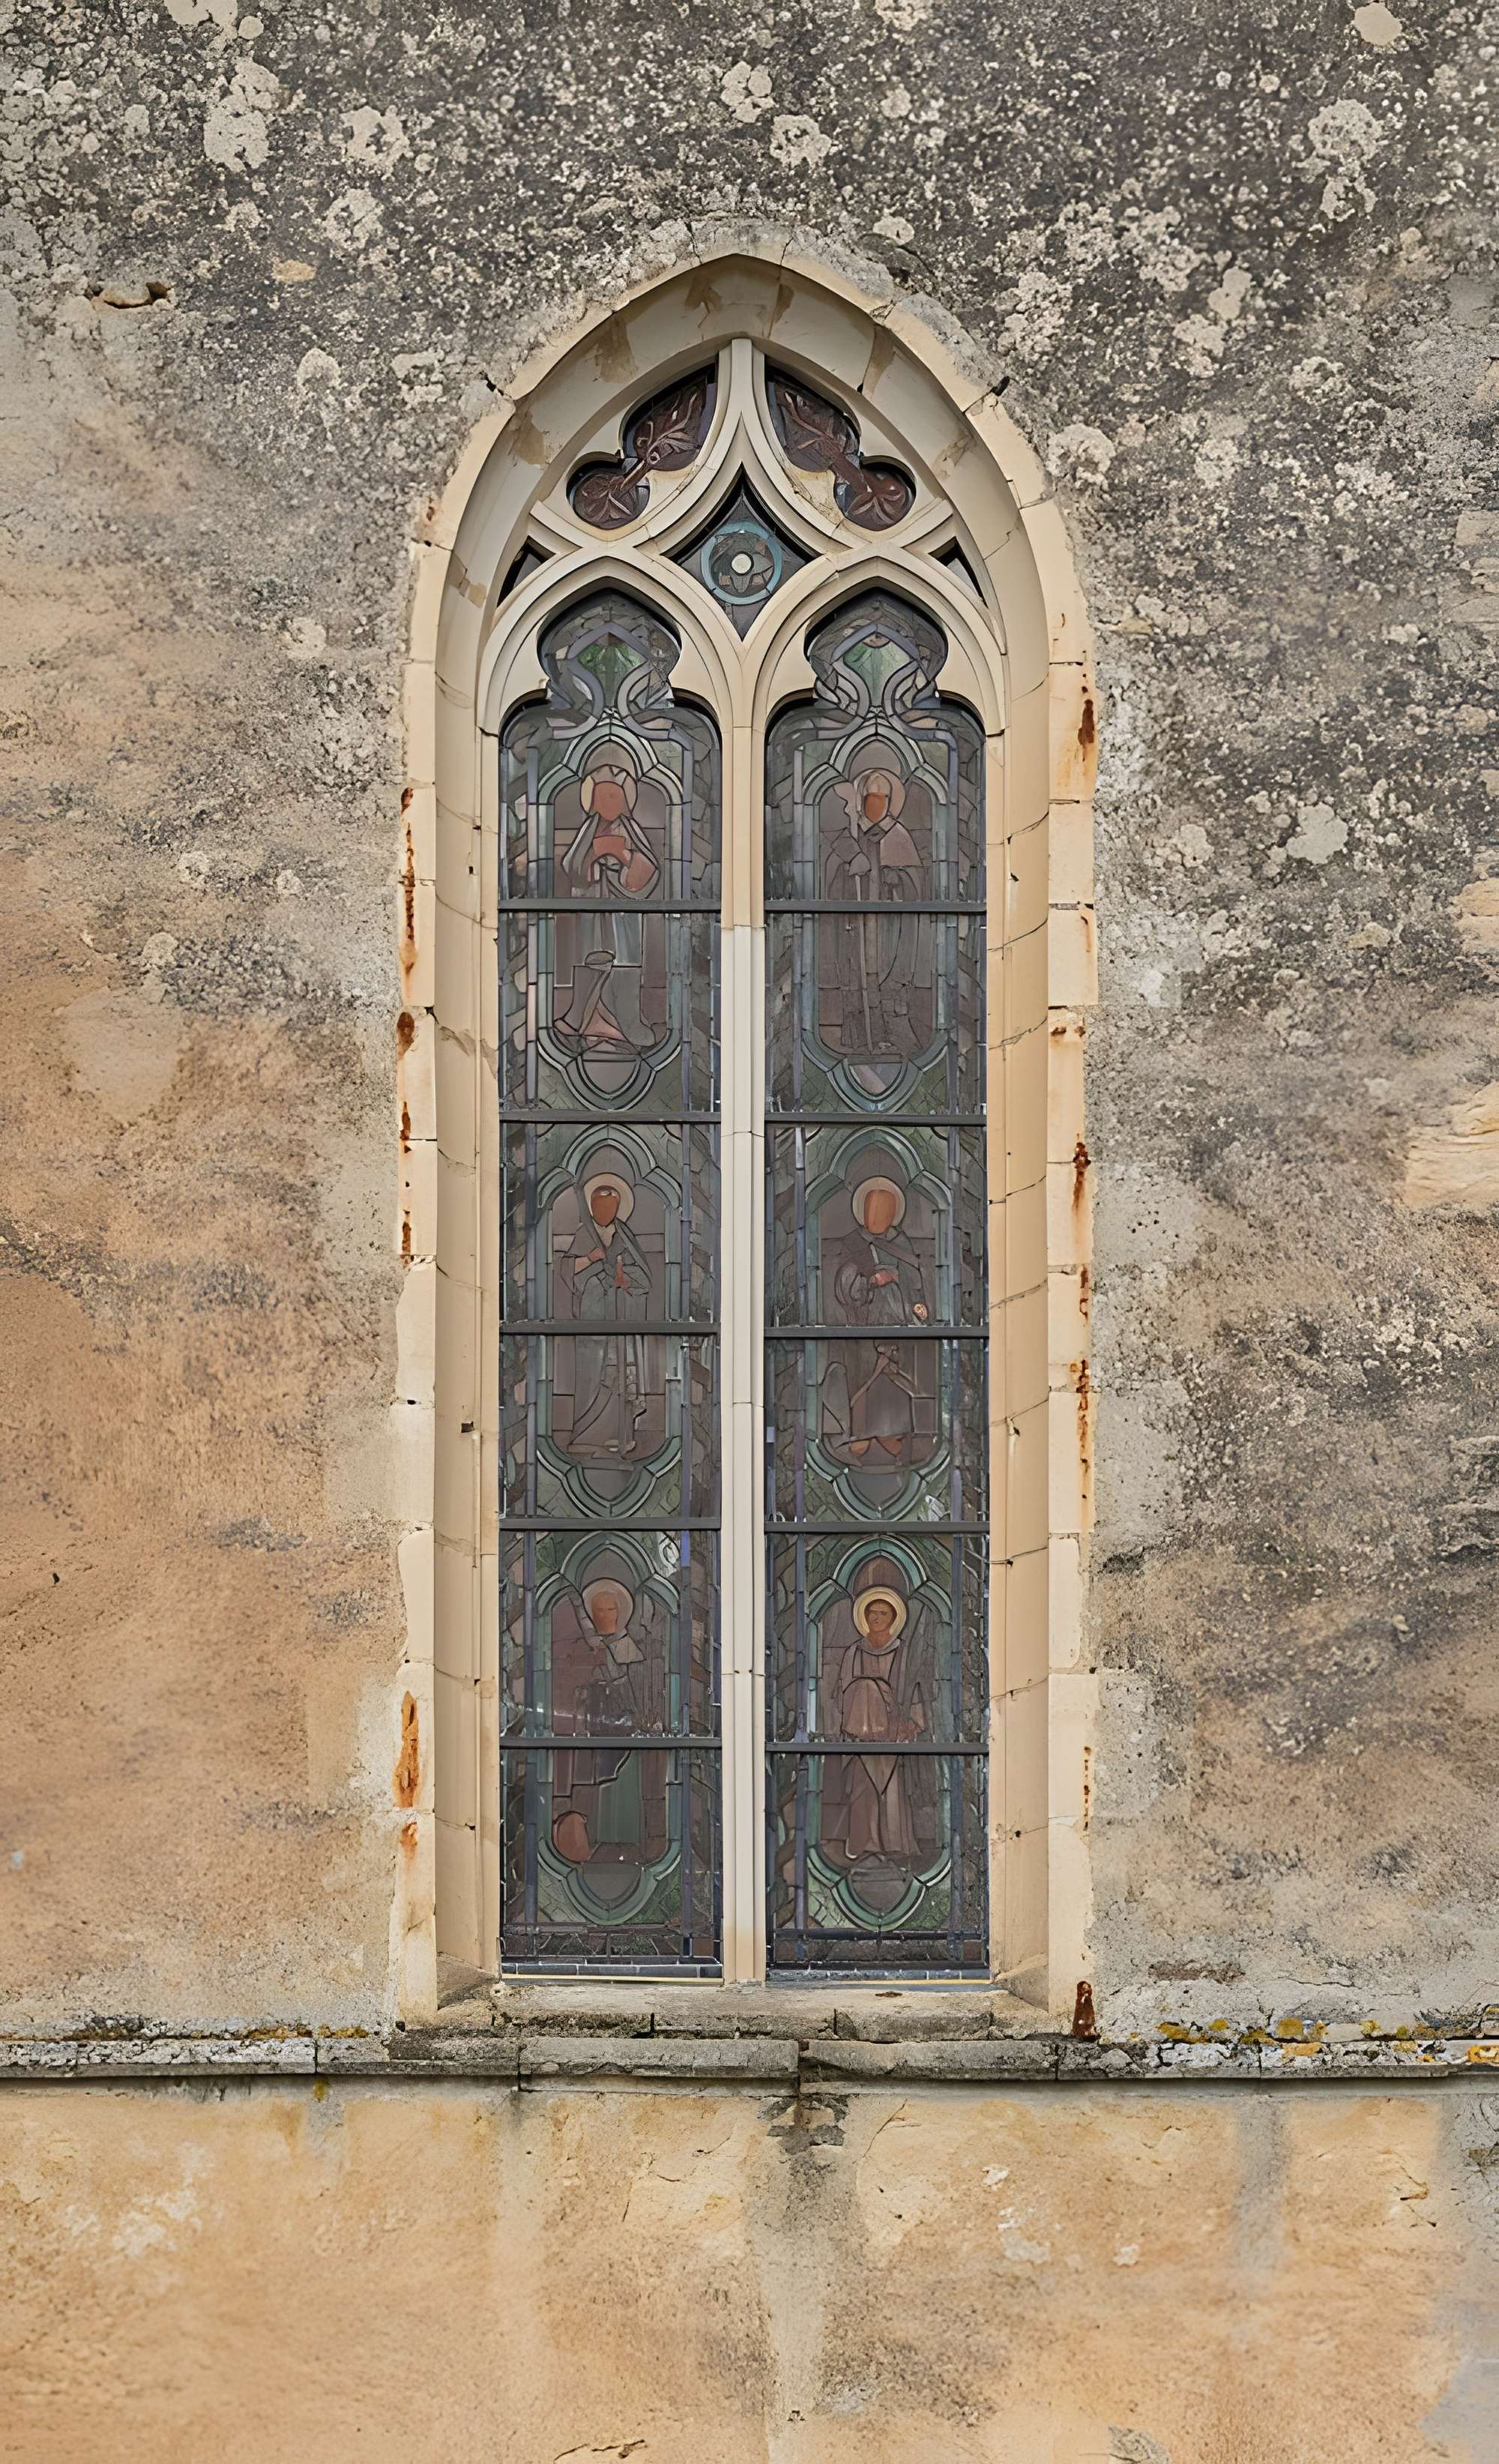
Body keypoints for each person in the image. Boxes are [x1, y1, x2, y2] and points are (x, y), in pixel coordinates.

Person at [817, 1556, 936, 1873]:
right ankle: (863, 1845)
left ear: (894, 1618)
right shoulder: (853, 1653)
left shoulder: (903, 1652)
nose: (878, 1618)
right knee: (862, 1789)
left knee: (893, 1792)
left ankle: (894, 1846)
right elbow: (841, 1691)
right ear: (865, 1618)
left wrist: (911, 1723)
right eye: (873, 1613)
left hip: (891, 1734)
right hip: (859, 1734)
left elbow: (913, 1691)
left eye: (884, 1614)